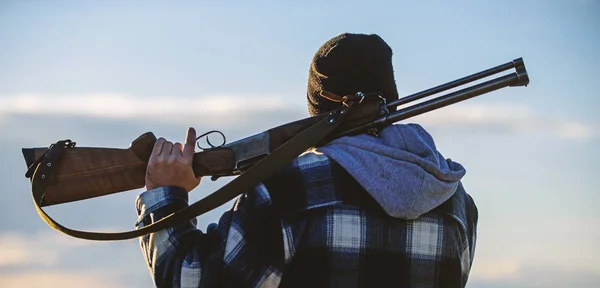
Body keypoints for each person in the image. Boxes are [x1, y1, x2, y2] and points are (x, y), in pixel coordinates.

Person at [135, 33, 479, 288]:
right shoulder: (456, 201)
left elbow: (191, 280)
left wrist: (167, 197)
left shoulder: (287, 188)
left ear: (317, 107)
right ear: (393, 98)